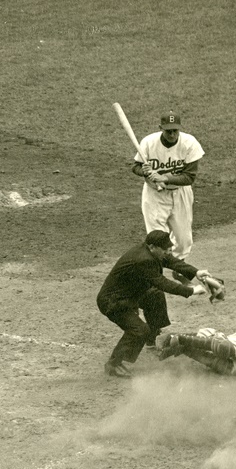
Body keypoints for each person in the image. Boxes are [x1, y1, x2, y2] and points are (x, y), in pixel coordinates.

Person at [96, 230, 212, 378]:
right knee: (139, 330)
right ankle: (114, 364)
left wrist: (196, 272)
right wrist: (191, 291)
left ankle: (152, 341)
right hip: (114, 302)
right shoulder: (143, 260)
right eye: (165, 249)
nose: (168, 251)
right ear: (152, 247)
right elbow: (162, 283)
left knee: (155, 296)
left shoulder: (152, 251)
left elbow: (170, 260)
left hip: (132, 294)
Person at [132, 111, 205, 263]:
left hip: (181, 193)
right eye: (168, 131)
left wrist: (164, 177)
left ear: (180, 128)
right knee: (158, 239)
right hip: (154, 196)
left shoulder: (189, 143)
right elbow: (135, 167)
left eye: (175, 130)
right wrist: (143, 172)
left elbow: (189, 177)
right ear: (161, 128)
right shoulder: (148, 143)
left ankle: (179, 269)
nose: (172, 134)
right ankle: (155, 273)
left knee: (183, 240)